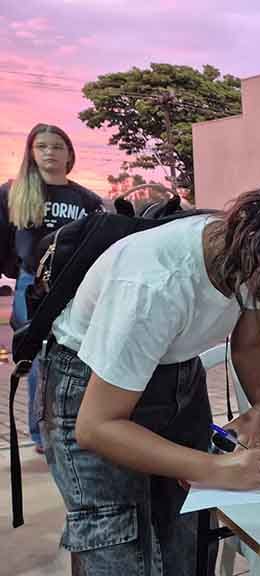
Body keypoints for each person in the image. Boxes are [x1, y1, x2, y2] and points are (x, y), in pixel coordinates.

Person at [40, 182, 260, 575]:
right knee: (121, 548)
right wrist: (212, 468)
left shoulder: (249, 259)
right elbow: (96, 427)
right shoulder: (157, 285)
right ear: (258, 243)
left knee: (185, 537)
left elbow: (249, 341)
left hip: (175, 371)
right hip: (90, 380)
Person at [0, 123, 104, 454]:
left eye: (57, 146)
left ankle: (80, 423)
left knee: (78, 353)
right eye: (42, 146)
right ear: (31, 152)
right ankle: (42, 434)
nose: (49, 152)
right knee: (37, 358)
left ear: (69, 154)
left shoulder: (85, 199)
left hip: (76, 285)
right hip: (33, 286)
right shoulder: (12, 193)